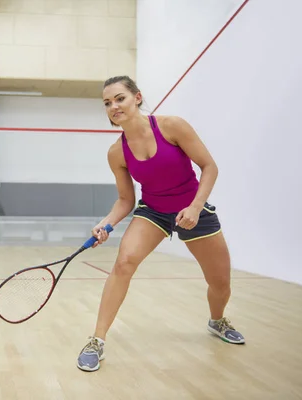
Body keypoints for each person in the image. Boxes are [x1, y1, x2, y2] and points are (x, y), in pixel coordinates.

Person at [76, 76, 244, 372]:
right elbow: (126, 200)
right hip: (153, 211)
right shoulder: (117, 152)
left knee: (220, 283)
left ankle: (217, 320)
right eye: (107, 103)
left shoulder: (172, 126)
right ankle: (97, 340)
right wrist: (107, 224)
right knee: (124, 262)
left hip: (195, 209)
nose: (113, 106)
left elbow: (209, 166)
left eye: (119, 98)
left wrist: (194, 207)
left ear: (137, 98)